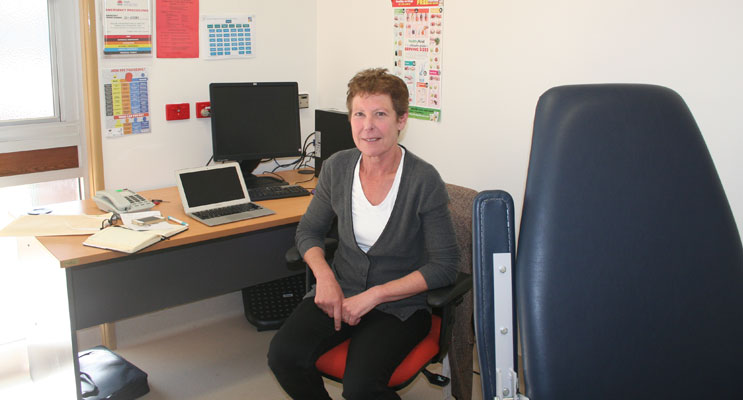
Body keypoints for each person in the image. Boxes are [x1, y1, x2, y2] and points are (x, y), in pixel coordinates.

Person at [267, 68, 459, 400]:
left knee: (361, 388)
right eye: (359, 114)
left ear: (401, 120)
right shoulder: (337, 167)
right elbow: (309, 231)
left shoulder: (423, 180)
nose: (367, 125)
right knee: (284, 357)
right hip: (341, 291)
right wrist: (325, 277)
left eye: (380, 114)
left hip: (400, 307)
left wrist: (375, 295)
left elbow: (445, 266)